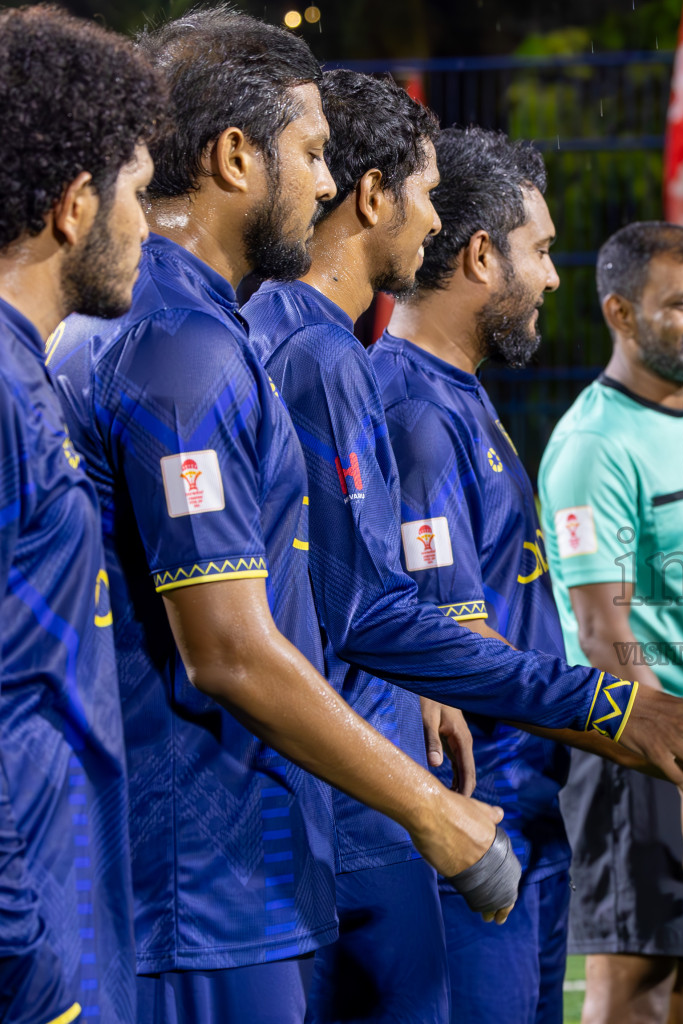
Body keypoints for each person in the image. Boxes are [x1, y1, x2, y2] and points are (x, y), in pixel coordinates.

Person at [46, 12, 512, 1021]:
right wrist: (431, 808)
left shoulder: (184, 330)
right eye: (308, 153)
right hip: (201, 882)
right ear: (233, 157)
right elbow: (230, 651)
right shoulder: (183, 347)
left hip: (199, 868)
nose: (322, 181)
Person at [377, 126, 633, 1024]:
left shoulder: (457, 391)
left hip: (526, 799)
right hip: (474, 814)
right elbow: (446, 640)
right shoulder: (413, 411)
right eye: (545, 250)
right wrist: (623, 721)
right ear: (482, 255)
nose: (557, 276)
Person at [540, 222, 683, 1024]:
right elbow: (602, 632)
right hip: (640, 750)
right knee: (636, 992)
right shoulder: (593, 445)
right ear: (621, 315)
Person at [0, 10, 162, 1023]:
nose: (149, 225)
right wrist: (31, 972)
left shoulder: (31, 374)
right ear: (72, 208)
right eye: (138, 194)